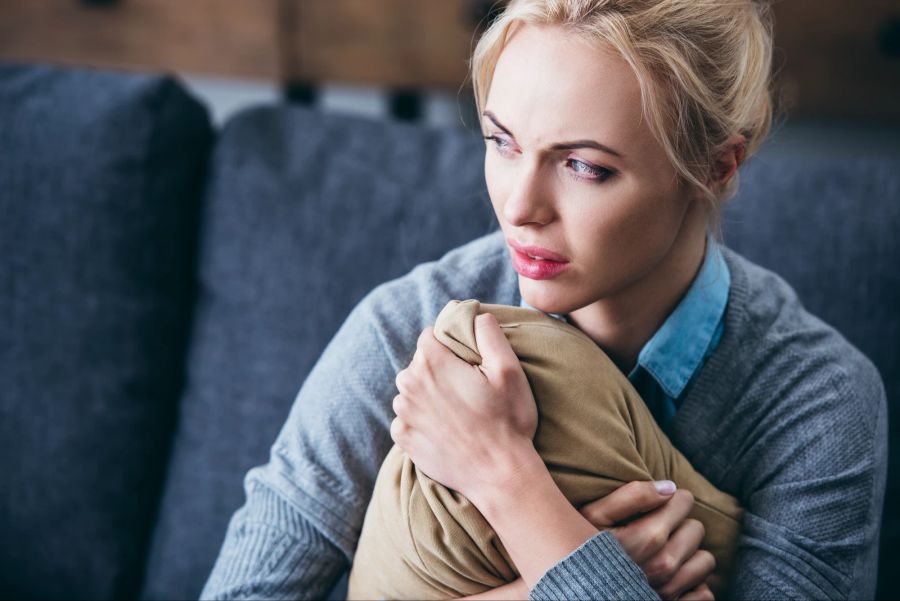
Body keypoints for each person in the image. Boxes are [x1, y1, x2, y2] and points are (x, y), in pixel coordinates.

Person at [201, 1, 888, 599]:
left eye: (584, 165)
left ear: (715, 167)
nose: (519, 206)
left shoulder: (819, 403)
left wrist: (504, 475)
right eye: (501, 142)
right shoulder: (410, 327)